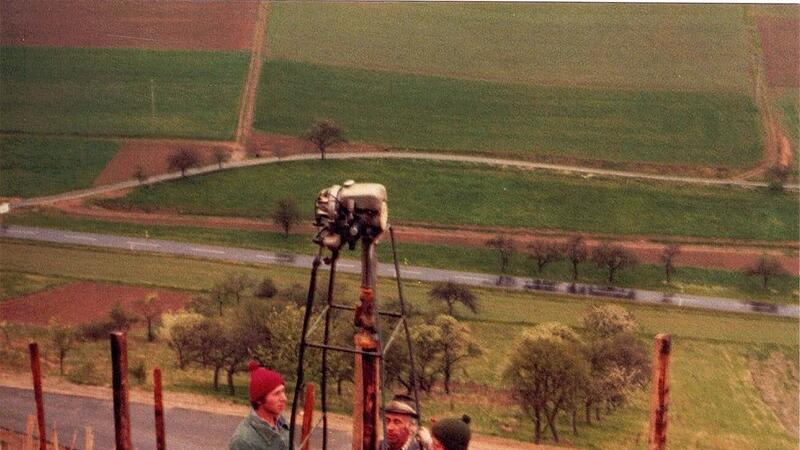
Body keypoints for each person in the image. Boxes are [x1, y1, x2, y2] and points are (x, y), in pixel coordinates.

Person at [229, 361, 289, 450]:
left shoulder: (282, 422)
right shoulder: (243, 441)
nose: (284, 398)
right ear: (259, 400)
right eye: (276, 394)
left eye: (283, 391)